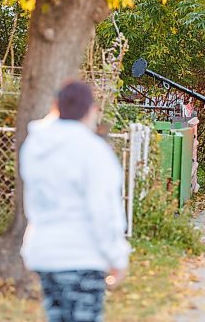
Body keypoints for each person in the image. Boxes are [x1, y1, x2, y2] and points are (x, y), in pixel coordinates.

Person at [20, 80, 131, 322]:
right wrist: (117, 257)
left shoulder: (34, 146)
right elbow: (104, 211)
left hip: (43, 252)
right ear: (90, 110)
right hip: (81, 255)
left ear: (55, 106)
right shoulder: (93, 151)